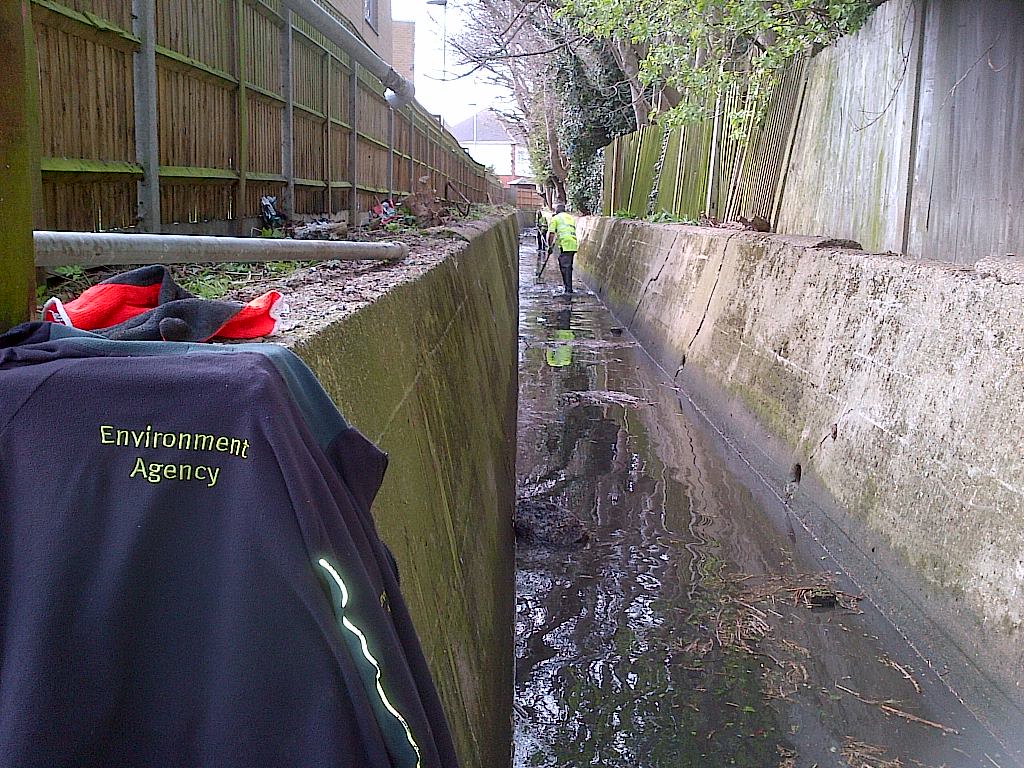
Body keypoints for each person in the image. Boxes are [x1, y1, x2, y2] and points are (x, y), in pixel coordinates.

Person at [547, 203, 578, 294]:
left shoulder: (555, 218)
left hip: (566, 244)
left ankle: (568, 290)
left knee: (565, 267)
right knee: (567, 265)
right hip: (573, 243)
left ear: (556, 211)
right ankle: (568, 287)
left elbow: (551, 234)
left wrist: (549, 246)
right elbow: (564, 231)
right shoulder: (570, 218)